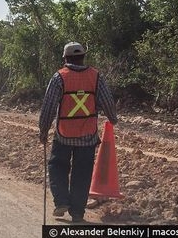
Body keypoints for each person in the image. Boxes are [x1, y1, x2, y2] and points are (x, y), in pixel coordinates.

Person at [38, 41, 118, 223]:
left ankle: (61, 201)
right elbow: (107, 100)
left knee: (57, 166)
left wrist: (43, 130)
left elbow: (49, 107)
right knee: (82, 174)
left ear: (65, 58)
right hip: (88, 135)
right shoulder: (95, 76)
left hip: (64, 135)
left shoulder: (59, 77)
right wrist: (113, 118)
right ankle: (78, 213)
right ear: (83, 57)